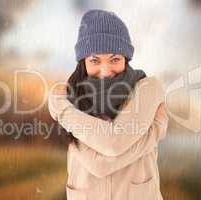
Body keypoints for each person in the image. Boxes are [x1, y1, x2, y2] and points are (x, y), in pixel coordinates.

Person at [48, 9, 169, 200]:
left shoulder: (148, 87)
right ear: (83, 61)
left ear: (126, 59)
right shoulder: (71, 94)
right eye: (95, 60)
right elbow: (100, 164)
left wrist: (62, 111)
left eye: (114, 59)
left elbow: (112, 145)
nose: (105, 71)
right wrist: (153, 133)